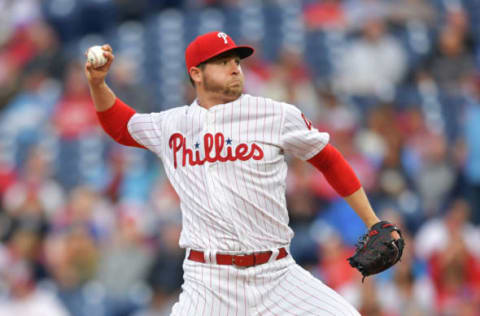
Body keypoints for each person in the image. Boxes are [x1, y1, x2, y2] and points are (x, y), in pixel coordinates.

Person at [84, 31, 401, 315]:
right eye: (222, 62)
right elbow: (120, 126)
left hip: (276, 274)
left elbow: (329, 161)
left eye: (236, 60)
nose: (235, 67)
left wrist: (373, 221)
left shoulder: (275, 115)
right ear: (196, 73)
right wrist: (98, 84)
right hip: (208, 281)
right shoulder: (171, 124)